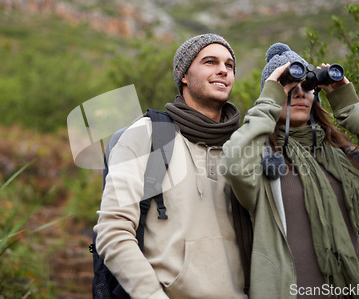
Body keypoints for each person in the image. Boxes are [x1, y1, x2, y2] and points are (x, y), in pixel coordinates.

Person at [220, 43, 359, 298]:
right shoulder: (262, 163)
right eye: (289, 87)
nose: (300, 93)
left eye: (307, 86)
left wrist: (349, 104)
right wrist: (269, 99)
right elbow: (233, 163)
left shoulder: (345, 159)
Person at [94, 33, 249, 299]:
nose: (223, 70)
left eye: (229, 65)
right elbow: (113, 231)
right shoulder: (147, 135)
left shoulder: (244, 146)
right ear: (184, 76)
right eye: (210, 62)